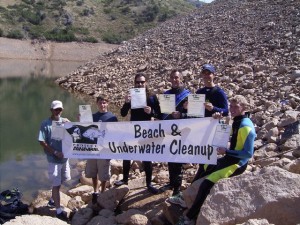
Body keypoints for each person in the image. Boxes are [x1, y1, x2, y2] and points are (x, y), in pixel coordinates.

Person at [172, 95, 256, 225]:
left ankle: (189, 217)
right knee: (205, 165)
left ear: (244, 108)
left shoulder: (245, 126)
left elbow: (248, 154)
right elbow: (225, 135)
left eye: (236, 107)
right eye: (231, 106)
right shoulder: (237, 121)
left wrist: (227, 151)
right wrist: (218, 121)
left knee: (206, 183)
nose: (232, 109)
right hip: (229, 158)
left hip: (238, 163)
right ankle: (186, 198)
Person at [114, 73, 161, 194]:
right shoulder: (132, 96)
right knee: (127, 154)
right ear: (134, 83)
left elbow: (159, 114)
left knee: (147, 158)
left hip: (146, 130)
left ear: (146, 83)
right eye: (137, 82)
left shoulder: (151, 97)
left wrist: (151, 112)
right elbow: (123, 113)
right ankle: (124, 179)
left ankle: (149, 184)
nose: (140, 84)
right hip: (132, 129)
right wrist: (126, 102)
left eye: (142, 82)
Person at [38, 100, 71, 222]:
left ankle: (53, 198)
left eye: (60, 109)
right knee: (56, 184)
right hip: (54, 159)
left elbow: (75, 135)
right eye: (56, 109)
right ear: (51, 110)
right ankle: (58, 210)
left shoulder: (65, 122)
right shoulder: (45, 124)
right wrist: (55, 152)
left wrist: (71, 124)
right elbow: (41, 141)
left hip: (65, 158)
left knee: (64, 179)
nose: (58, 112)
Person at [160, 69, 191, 196]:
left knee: (177, 159)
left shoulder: (187, 95)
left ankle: (177, 188)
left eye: (176, 78)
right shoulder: (166, 94)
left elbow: (195, 116)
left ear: (181, 79)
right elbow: (162, 114)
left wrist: (182, 114)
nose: (174, 80)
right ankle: (172, 182)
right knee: (169, 157)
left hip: (181, 132)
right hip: (168, 131)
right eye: (172, 77)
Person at [84, 96, 118, 204]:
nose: (102, 105)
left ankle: (103, 192)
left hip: (105, 150)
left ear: (107, 103)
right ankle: (95, 191)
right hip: (93, 149)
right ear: (97, 104)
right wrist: (81, 120)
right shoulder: (92, 116)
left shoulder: (112, 117)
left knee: (103, 173)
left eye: (104, 103)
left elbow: (118, 133)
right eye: (100, 103)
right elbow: (84, 129)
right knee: (93, 172)